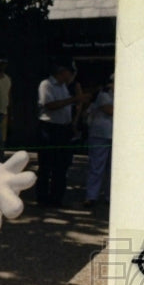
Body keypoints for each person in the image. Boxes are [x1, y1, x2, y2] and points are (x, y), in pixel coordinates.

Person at [36, 60, 89, 207]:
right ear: (62, 71)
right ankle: (42, 198)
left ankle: (57, 198)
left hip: (63, 128)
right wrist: (74, 99)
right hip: (49, 127)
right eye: (70, 73)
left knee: (62, 165)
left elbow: (68, 108)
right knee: (46, 164)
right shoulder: (46, 84)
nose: (72, 76)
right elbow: (49, 105)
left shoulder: (65, 87)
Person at [83, 74, 114, 207]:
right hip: (100, 134)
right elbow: (110, 110)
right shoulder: (104, 95)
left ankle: (110, 196)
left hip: (114, 135)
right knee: (97, 166)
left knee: (112, 168)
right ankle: (91, 196)